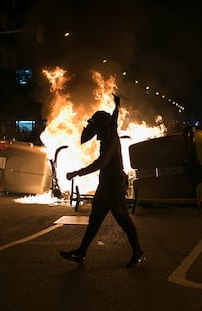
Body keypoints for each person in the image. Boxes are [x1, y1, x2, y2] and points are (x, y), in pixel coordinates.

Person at [60, 94, 145, 268]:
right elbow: (114, 120)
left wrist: (77, 172)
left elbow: (101, 163)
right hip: (105, 186)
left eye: (96, 127)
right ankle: (81, 253)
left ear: (102, 127)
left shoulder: (111, 141)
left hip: (114, 187)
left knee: (124, 220)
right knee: (95, 220)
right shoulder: (110, 131)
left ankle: (138, 253)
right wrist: (117, 106)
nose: (95, 131)